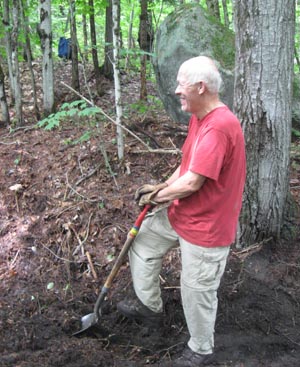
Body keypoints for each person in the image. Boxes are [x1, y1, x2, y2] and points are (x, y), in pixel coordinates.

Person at [117, 56, 246, 367]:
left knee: (196, 290)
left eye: (181, 84)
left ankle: (200, 350)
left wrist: (159, 194)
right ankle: (150, 309)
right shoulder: (199, 117)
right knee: (144, 240)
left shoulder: (219, 127)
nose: (176, 90)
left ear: (201, 88)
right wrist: (160, 190)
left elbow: (191, 183)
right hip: (183, 214)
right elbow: (186, 167)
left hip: (208, 227)